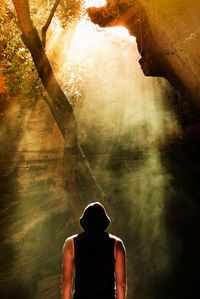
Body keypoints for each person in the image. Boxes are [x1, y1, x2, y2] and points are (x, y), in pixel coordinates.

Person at [61, 202, 127, 299]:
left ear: (84, 222)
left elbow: (66, 283)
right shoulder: (117, 244)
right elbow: (121, 285)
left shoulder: (71, 244)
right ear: (105, 222)